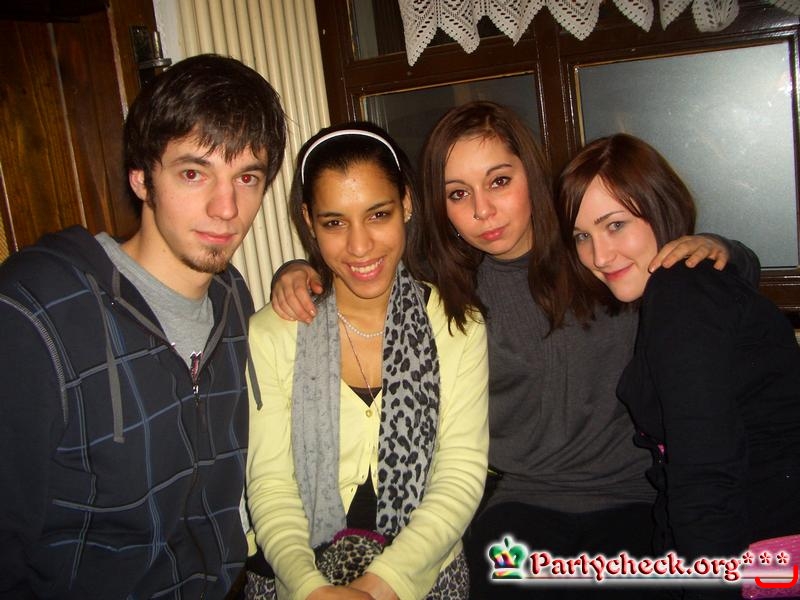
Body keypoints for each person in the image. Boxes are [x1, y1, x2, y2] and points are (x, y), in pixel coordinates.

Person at [268, 102, 757, 599]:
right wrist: (296, 271)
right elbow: (361, 260)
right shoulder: (447, 288)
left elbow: (704, 283)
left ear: (532, 174)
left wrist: (723, 249)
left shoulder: (597, 254)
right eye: (459, 194)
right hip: (521, 504)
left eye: (499, 181)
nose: (482, 211)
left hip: (635, 500)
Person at [0, 54, 287, 599]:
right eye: (193, 173)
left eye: (246, 177)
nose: (226, 208)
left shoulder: (232, 297)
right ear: (141, 178)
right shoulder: (36, 312)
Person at [245, 122, 489, 600]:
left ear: (406, 204)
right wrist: (310, 588)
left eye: (378, 214)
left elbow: (459, 474)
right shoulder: (273, 333)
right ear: (309, 220)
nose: (360, 247)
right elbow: (270, 486)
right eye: (335, 223)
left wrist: (384, 584)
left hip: (422, 574)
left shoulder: (457, 325)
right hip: (296, 578)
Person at [556, 133, 800, 598]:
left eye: (615, 225)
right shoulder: (690, 285)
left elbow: (706, 474)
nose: (599, 256)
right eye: (583, 236)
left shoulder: (680, 296)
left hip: (759, 554)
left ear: (660, 207)